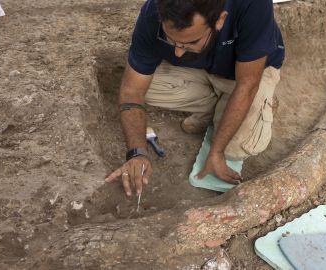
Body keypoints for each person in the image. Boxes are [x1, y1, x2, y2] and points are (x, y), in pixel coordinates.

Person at [105, 0, 285, 196]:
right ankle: (221, 107)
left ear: (220, 20)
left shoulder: (252, 5)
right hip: (201, 68)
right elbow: (132, 91)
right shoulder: (153, 12)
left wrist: (216, 152)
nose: (178, 52)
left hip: (247, 73)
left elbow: (247, 84)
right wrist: (137, 152)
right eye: (171, 39)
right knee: (146, 87)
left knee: (237, 148)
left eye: (191, 42)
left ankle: (258, 103)